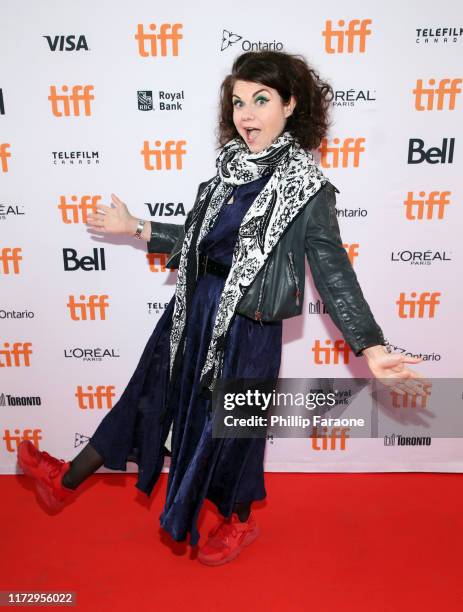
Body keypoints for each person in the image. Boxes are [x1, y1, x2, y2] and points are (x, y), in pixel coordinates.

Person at [17, 50, 427, 567]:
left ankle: (239, 522)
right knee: (148, 395)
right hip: (193, 309)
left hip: (248, 328)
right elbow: (196, 241)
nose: (247, 115)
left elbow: (332, 270)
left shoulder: (308, 189)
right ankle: (65, 480)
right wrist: (138, 228)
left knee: (234, 431)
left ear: (290, 105)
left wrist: (369, 344)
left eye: (261, 100)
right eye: (238, 102)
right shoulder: (225, 174)